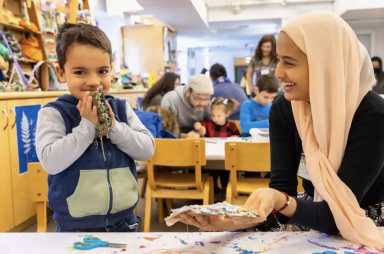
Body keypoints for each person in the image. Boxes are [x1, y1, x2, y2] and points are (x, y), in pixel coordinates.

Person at [177, 12, 384, 250]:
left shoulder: (373, 116)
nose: (278, 73)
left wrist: (281, 201)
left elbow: (336, 215)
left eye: (290, 62)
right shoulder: (286, 108)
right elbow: (283, 191)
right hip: (314, 214)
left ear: (325, 64)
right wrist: (237, 220)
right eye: (278, 60)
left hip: (367, 222)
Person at [36, 23, 155, 232]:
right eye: (80, 72)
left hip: (124, 223)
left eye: (102, 71)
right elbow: (50, 162)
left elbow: (147, 149)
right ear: (61, 72)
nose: (93, 81)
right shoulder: (54, 113)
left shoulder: (120, 108)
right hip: (75, 227)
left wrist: (114, 127)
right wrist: (87, 127)